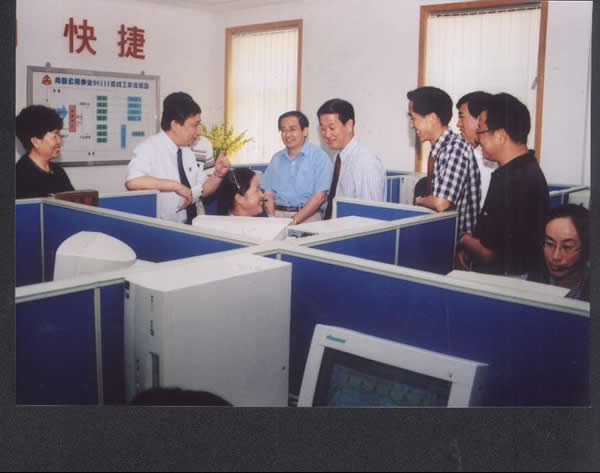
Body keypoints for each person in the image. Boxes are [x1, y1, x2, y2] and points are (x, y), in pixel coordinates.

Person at [457, 93, 550, 275]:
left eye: (481, 131)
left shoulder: (516, 181)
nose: (478, 138)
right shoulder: (523, 170)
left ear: (500, 136)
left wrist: (463, 238)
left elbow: (488, 253)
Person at [125, 92, 231, 224]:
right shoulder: (149, 148)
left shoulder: (186, 151)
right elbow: (133, 181)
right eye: (194, 125)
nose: (199, 132)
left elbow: (203, 189)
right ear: (175, 125)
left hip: (191, 225)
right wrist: (176, 186)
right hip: (165, 228)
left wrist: (218, 175)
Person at [407, 86, 481, 234]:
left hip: (458, 244)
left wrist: (419, 200)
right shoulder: (440, 149)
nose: (412, 124)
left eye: (413, 118)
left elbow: (441, 203)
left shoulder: (455, 148)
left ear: (432, 118)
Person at [317, 98, 386, 218]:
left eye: (332, 128)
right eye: (323, 129)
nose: (327, 134)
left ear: (349, 125)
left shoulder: (365, 161)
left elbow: (370, 215)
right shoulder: (338, 157)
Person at [260, 111, 332, 225]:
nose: (287, 135)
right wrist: (272, 219)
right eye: (283, 130)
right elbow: (268, 193)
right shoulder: (276, 159)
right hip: (277, 217)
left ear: (305, 131)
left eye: (292, 129)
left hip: (309, 217)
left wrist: (294, 220)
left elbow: (320, 196)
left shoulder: (319, 157)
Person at [521, 204, 590, 302]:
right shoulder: (526, 283)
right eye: (550, 244)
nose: (555, 256)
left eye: (567, 247)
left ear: (586, 249)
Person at [15, 105, 75, 199]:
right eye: (54, 136)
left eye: (59, 135)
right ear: (35, 141)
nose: (59, 141)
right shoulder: (19, 177)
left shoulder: (58, 172)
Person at [456, 91, 498, 207]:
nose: (458, 124)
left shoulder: (492, 158)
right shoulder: (464, 152)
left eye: (461, 117)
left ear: (481, 119)